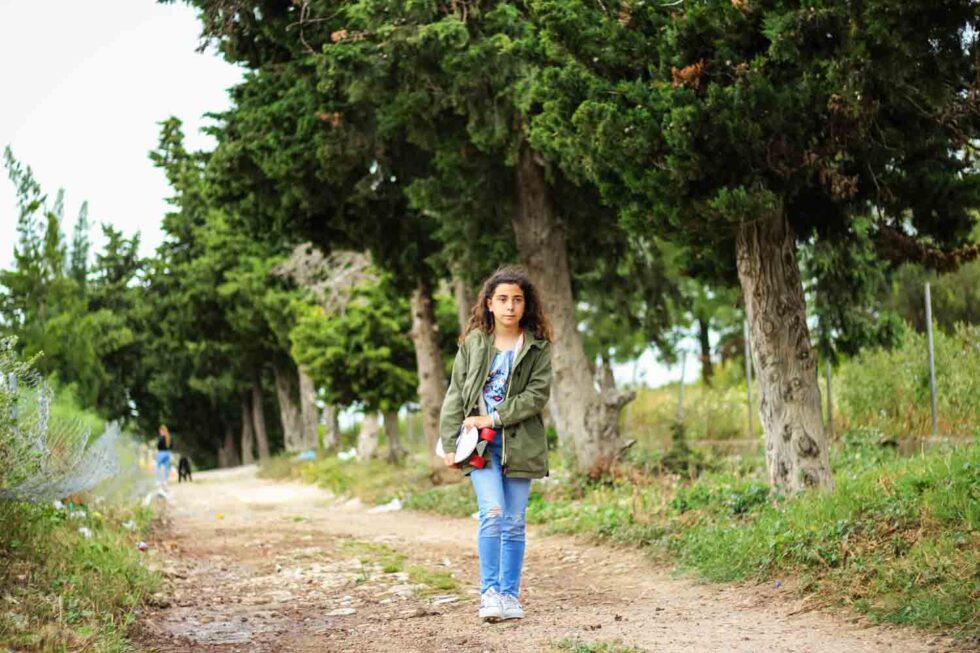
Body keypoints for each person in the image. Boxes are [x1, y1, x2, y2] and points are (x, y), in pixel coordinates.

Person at [438, 266, 553, 622]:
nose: (510, 306)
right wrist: (448, 442)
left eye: (517, 300)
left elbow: (537, 395)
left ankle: (509, 596)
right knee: (493, 513)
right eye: (502, 299)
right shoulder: (473, 344)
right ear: (489, 304)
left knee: (515, 522)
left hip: (522, 443)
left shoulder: (537, 347)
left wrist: (495, 417)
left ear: (525, 304)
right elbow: (456, 393)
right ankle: (489, 594)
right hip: (480, 446)